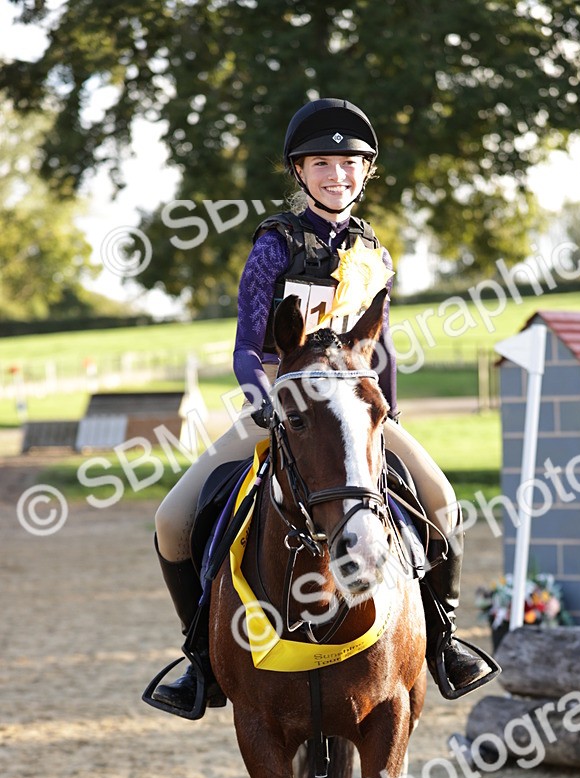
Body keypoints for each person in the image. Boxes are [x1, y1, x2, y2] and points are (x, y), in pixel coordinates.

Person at [148, 97, 499, 718]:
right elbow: (246, 348)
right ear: (299, 172)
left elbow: (382, 349)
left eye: (350, 163)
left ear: (366, 173)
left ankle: (443, 642)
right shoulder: (273, 247)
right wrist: (271, 406)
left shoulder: (377, 254)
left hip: (356, 413)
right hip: (283, 403)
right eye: (322, 164)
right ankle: (200, 663)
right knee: (173, 520)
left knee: (442, 501)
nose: (337, 174)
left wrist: (385, 413)